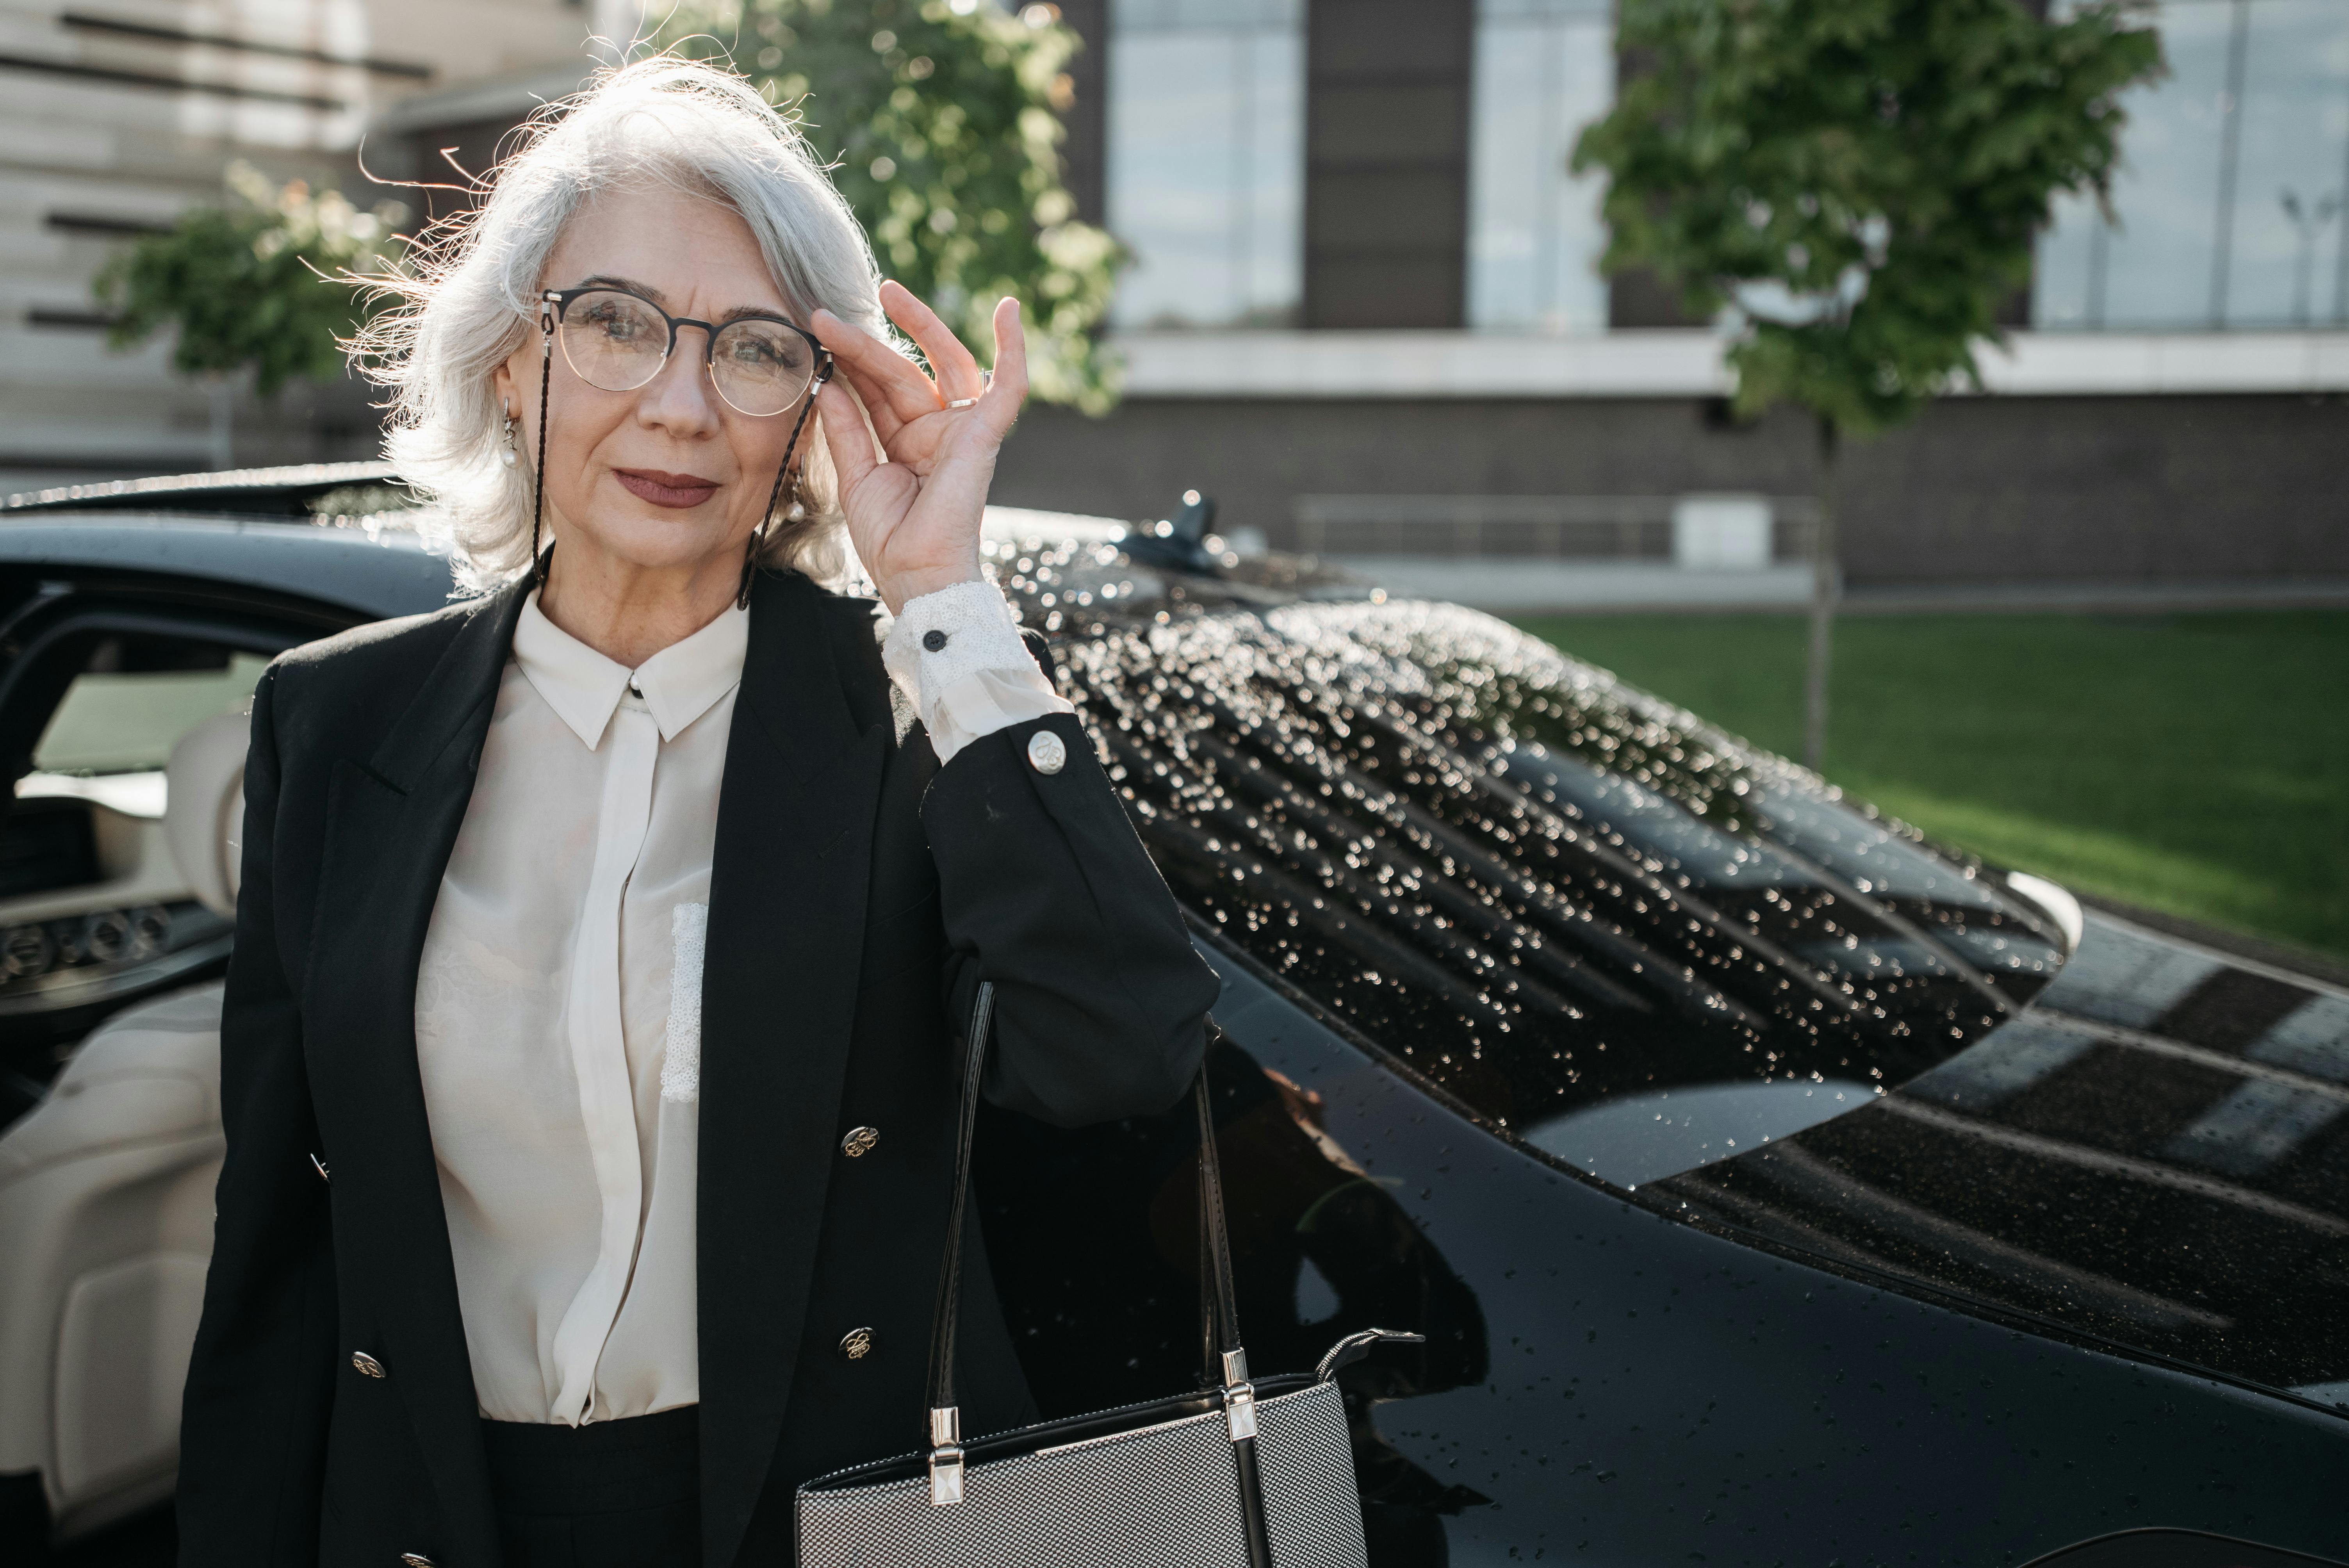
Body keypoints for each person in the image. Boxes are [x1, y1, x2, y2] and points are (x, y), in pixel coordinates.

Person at [176, 56, 1217, 1568]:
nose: (678, 402)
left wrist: (943, 598)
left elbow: (1121, 1047)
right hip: (430, 1522)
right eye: (613, 324)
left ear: (812, 402)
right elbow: (275, 1256)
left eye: (750, 348)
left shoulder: (905, 714)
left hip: (818, 1525)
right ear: (510, 364)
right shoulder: (337, 724)